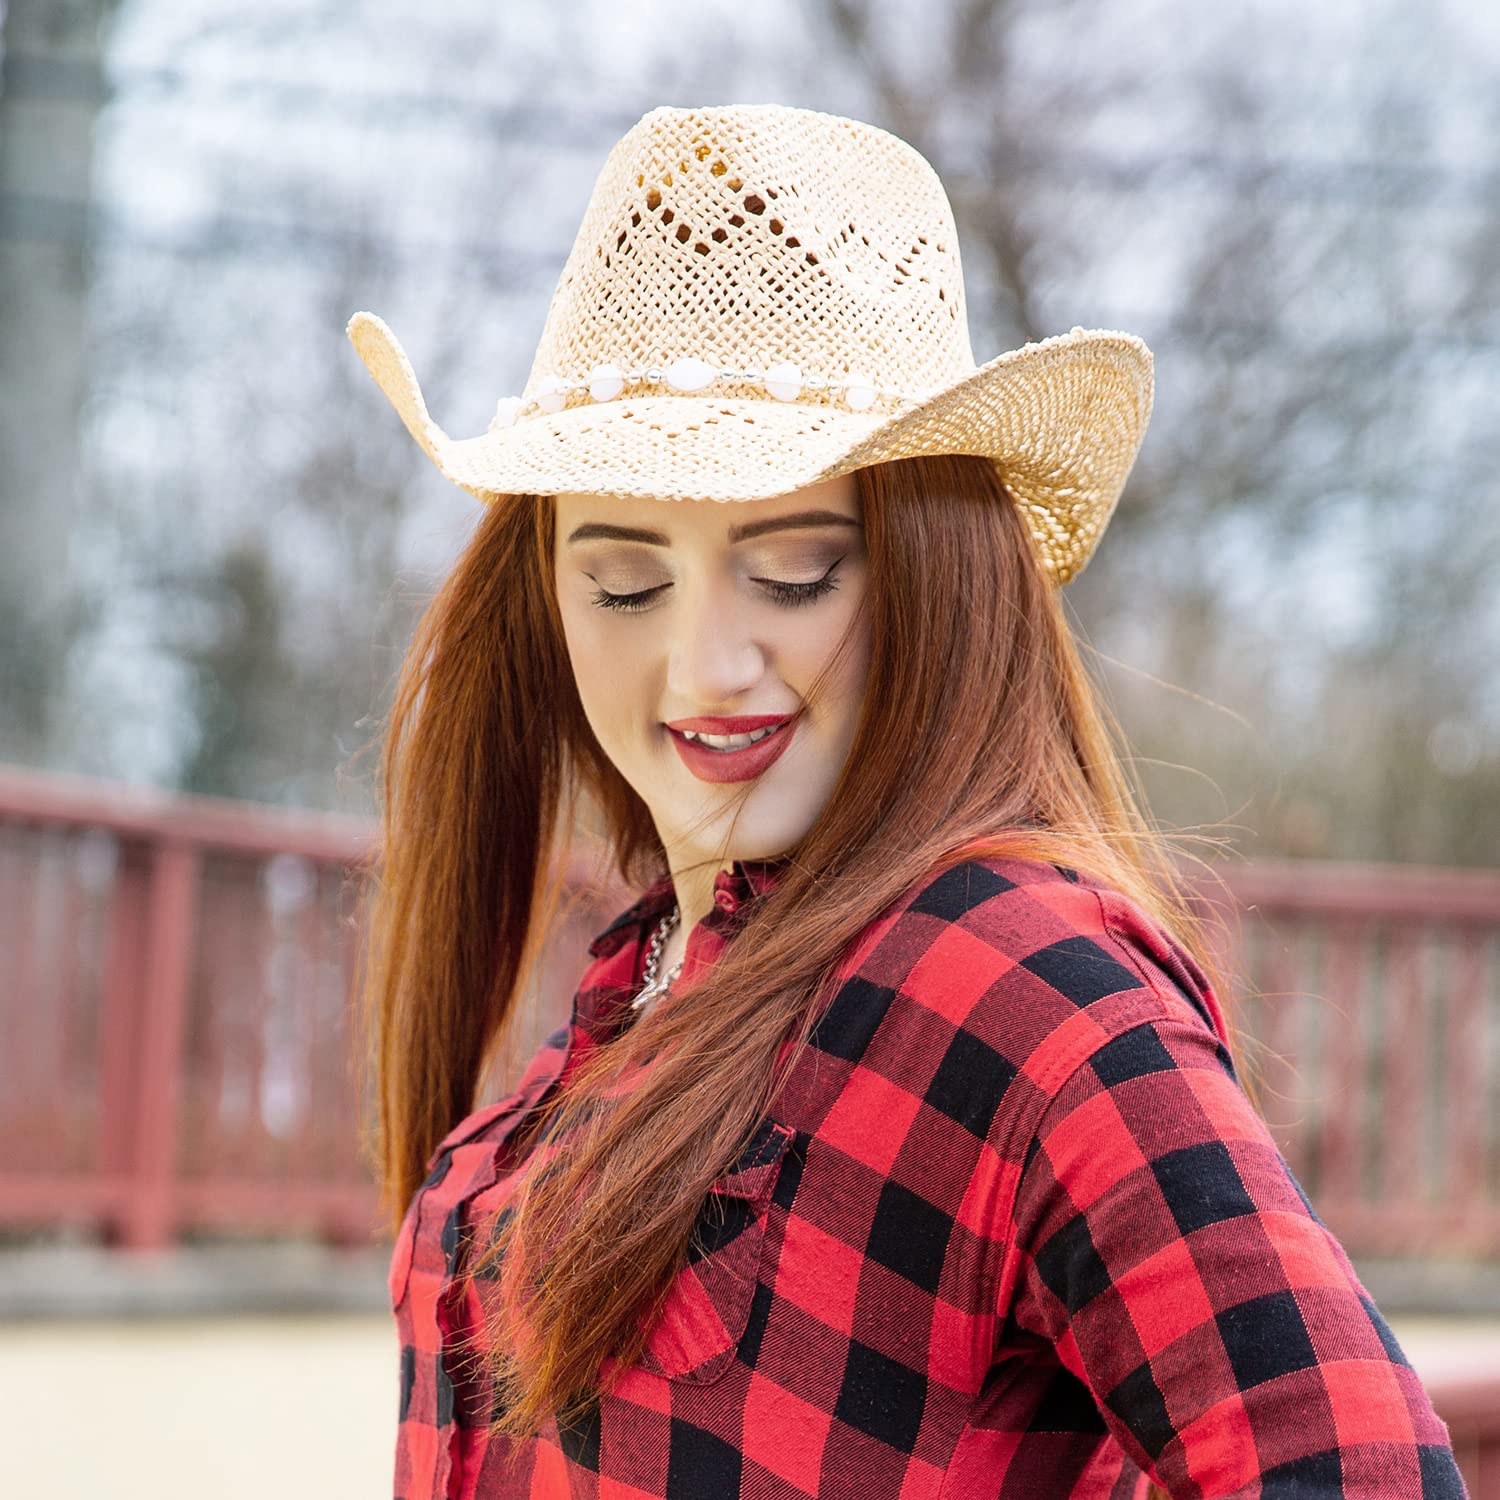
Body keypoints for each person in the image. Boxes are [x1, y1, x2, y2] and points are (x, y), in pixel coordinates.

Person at [348, 105, 1467, 1499]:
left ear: (937, 579)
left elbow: (1354, 1470)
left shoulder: (1015, 977)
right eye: (623, 582)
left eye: (798, 571)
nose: (703, 660)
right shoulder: (633, 1009)